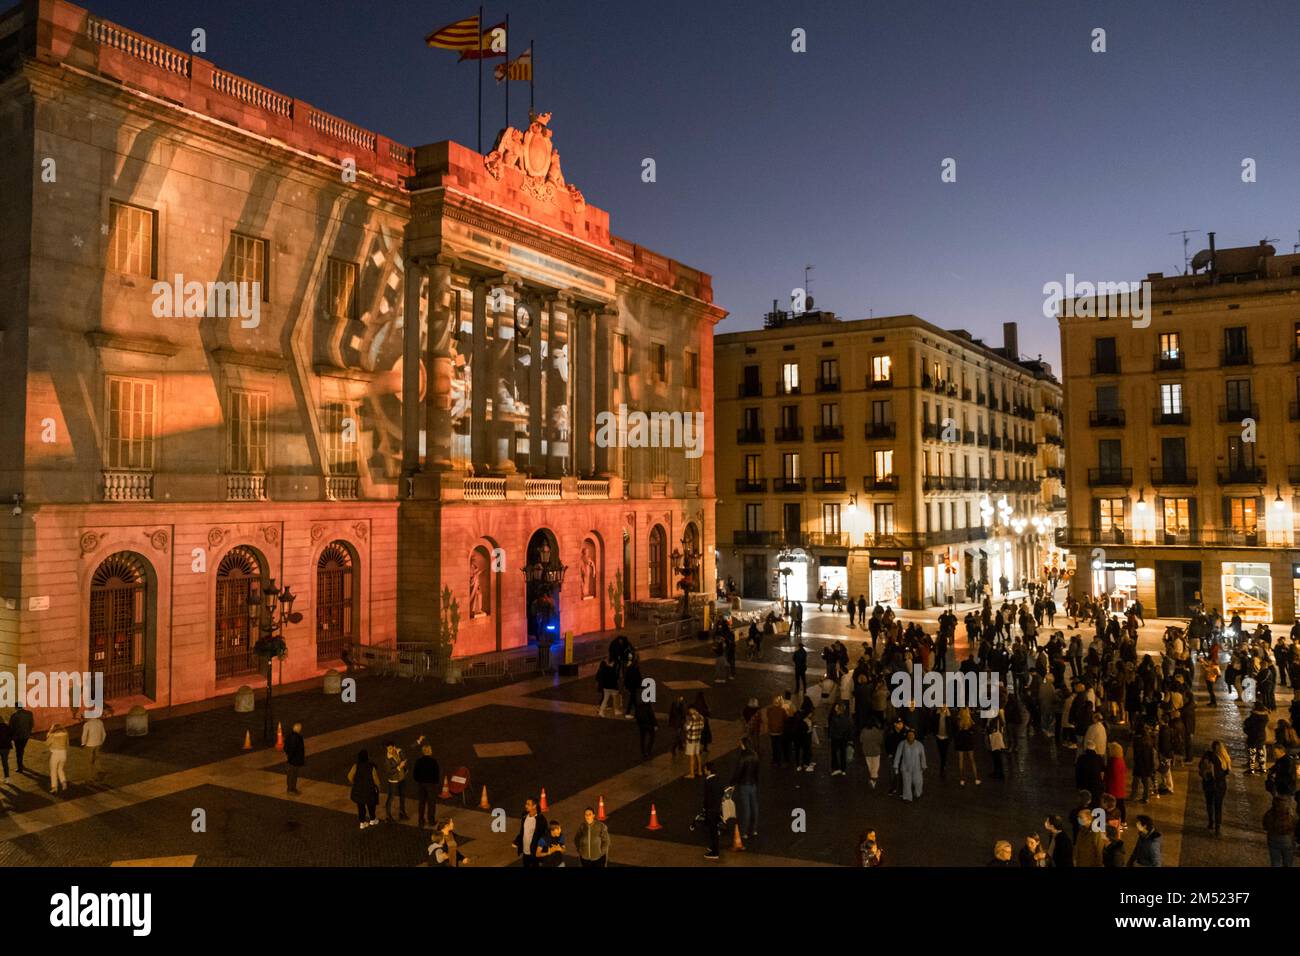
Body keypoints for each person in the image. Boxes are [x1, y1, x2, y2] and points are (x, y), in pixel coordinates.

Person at [1198, 740, 1231, 836]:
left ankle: (1210, 822)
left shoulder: (1207, 756)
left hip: (1208, 784)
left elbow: (1200, 767)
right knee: (1218, 806)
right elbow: (1227, 772)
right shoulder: (1224, 759)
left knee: (1209, 803)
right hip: (1220, 786)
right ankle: (1218, 827)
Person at [730, 737, 760, 841]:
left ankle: (744, 832)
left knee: (746, 809)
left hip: (744, 785)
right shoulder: (755, 755)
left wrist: (732, 783)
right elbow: (756, 771)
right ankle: (754, 829)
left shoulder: (743, 757)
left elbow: (738, 772)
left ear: (743, 744)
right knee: (754, 807)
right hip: (753, 784)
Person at [347, 749, 381, 829]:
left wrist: (355, 783)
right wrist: (378, 787)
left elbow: (349, 776)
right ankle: (372, 819)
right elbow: (376, 779)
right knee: (371, 805)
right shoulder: (371, 767)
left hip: (358, 790)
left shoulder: (356, 766)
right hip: (369, 790)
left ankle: (362, 822)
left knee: (360, 806)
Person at [893, 728, 926, 802]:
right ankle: (907, 797)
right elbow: (898, 755)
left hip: (917, 768)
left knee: (918, 782)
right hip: (905, 768)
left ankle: (918, 793)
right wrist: (896, 765)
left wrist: (923, 765)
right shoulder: (902, 744)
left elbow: (922, 756)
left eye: (912, 735)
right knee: (906, 783)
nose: (911, 736)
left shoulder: (919, 745)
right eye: (909, 735)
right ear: (907, 735)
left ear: (915, 736)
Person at [412, 741, 440, 829]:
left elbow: (415, 774)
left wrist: (419, 780)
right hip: (431, 785)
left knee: (422, 803)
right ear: (430, 751)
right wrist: (435, 783)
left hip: (421, 784)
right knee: (431, 803)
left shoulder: (418, 761)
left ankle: (421, 821)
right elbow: (437, 774)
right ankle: (431, 820)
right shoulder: (433, 762)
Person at [513, 798, 548, 867]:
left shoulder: (541, 820)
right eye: (526, 804)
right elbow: (522, 832)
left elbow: (544, 836)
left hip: (534, 852)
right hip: (525, 851)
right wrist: (516, 841)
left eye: (528, 804)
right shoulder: (524, 816)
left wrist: (542, 851)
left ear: (534, 806)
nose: (526, 806)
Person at [1263, 795, 1296, 867]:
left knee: (1275, 862)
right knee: (1288, 862)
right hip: (1287, 841)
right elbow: (1294, 826)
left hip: (1273, 841)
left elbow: (1265, 827)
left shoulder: (1269, 814)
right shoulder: (1290, 814)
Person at [383, 739, 409, 822]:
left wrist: (402, 755)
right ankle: (388, 815)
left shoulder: (399, 752)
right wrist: (399, 767)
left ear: (394, 747)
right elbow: (389, 772)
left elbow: (405, 759)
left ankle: (402, 812)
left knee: (402, 796)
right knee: (391, 797)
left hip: (402, 778)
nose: (389, 751)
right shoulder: (387, 759)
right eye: (388, 749)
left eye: (390, 748)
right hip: (393, 781)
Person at [80, 707, 108, 780]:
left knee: (88, 762)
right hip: (98, 743)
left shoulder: (87, 724)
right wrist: (101, 742)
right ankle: (100, 771)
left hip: (89, 745)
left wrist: (83, 744)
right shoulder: (100, 722)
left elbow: (84, 736)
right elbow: (104, 734)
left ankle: (89, 778)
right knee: (96, 758)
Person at [702, 762, 723, 861]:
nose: (704, 770)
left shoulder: (708, 782)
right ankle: (713, 846)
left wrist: (705, 808)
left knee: (713, 831)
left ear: (708, 770)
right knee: (714, 830)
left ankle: (715, 852)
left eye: (705, 769)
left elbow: (707, 798)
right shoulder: (718, 779)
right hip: (717, 809)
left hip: (711, 810)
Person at [955, 708, 980, 786]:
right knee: (972, 760)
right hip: (968, 739)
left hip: (961, 739)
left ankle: (962, 779)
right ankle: (976, 778)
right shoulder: (970, 721)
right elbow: (975, 729)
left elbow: (956, 729)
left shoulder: (959, 720)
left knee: (961, 760)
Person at [9, 703, 33, 774]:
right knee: (21, 749)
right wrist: (28, 732)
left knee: (18, 751)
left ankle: (20, 768)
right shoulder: (29, 713)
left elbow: (11, 727)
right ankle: (21, 764)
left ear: (16, 707)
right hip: (26, 736)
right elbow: (31, 724)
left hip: (17, 737)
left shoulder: (14, 716)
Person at [46, 723, 69, 794]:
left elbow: (47, 743)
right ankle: (64, 783)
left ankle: (54, 787)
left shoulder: (52, 735)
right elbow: (67, 744)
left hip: (55, 754)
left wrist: (48, 734)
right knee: (60, 769)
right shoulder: (65, 734)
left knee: (53, 771)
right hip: (63, 753)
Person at [283, 721, 305, 795]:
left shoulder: (291, 736)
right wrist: (290, 757)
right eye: (300, 729)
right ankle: (291, 789)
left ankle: (292, 788)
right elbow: (293, 749)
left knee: (292, 775)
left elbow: (286, 748)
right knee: (292, 775)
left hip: (293, 759)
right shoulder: (296, 738)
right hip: (294, 760)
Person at [684, 705, 705, 779]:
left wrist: (686, 723)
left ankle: (692, 774)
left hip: (691, 740)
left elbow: (687, 728)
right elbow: (702, 727)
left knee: (691, 757)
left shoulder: (691, 719)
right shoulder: (701, 717)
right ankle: (699, 771)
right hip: (698, 739)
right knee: (698, 755)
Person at [634, 695, 657, 759]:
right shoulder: (648, 707)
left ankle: (643, 752)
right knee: (652, 738)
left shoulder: (639, 707)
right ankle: (648, 751)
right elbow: (652, 717)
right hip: (649, 725)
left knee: (642, 739)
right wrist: (655, 725)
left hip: (641, 725)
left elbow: (636, 716)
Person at [0, 714, 10, 782]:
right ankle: (7, 778)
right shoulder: (7, 726)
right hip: (6, 747)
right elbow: (11, 735)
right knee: (5, 762)